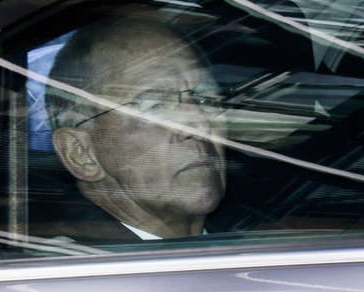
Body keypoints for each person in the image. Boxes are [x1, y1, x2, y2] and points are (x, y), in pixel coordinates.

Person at [42, 17, 226, 240]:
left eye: (206, 99)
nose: (200, 124)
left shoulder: (262, 234)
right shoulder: (68, 268)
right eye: (156, 106)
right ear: (81, 154)